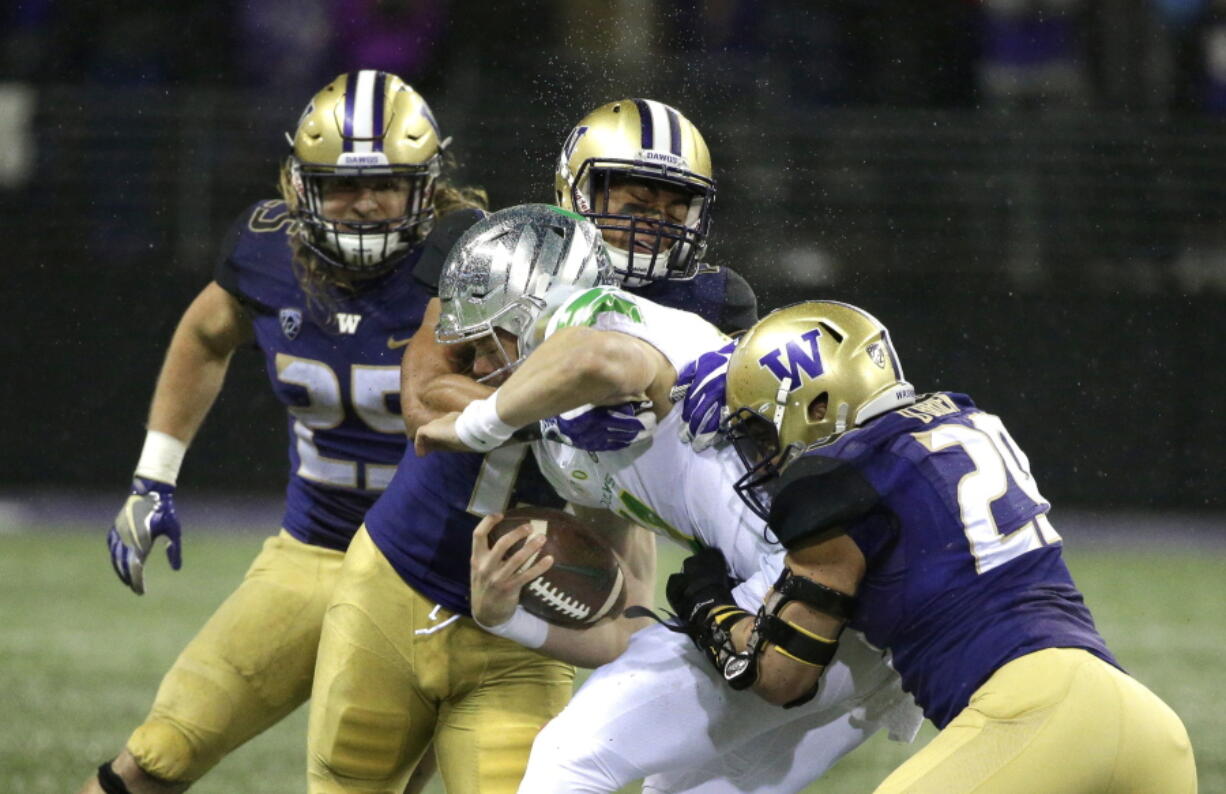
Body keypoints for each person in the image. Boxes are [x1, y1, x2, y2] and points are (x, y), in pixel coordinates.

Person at [302, 100, 760, 794]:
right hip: (404, 569)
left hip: (551, 591)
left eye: (675, 207)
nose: (652, 221)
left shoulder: (712, 307)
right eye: (633, 198)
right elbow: (426, 395)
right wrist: (552, 413)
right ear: (575, 189)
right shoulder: (505, 249)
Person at [81, 70, 485, 794]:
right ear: (299, 188)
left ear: (428, 188)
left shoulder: (477, 266)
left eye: (387, 184)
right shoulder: (268, 253)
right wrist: (154, 475)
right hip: (314, 551)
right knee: (157, 755)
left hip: (428, 576)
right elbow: (205, 335)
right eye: (340, 186)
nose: (364, 205)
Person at [414, 282, 924, 792]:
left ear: (530, 313)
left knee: (569, 758)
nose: (479, 371)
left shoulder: (597, 323)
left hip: (811, 587)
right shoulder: (569, 452)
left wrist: (475, 425)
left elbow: (596, 358)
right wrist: (504, 618)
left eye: (485, 347)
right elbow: (622, 630)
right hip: (878, 628)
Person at [672, 300, 1198, 791]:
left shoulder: (834, 483)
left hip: (1036, 718)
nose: (763, 453)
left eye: (763, 432)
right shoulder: (964, 419)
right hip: (1147, 729)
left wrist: (707, 608)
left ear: (816, 405)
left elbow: (782, 673)